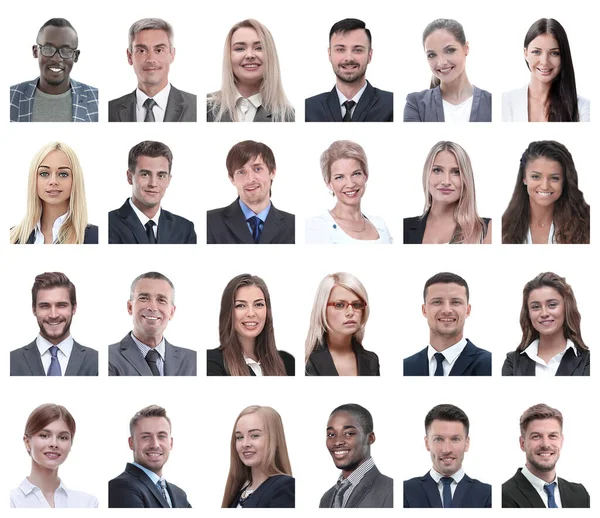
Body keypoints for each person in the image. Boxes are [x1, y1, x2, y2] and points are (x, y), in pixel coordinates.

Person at [108, 272, 196, 376]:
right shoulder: (108, 358)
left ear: (171, 312)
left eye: (161, 300)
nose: (153, 307)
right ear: (130, 307)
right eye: (144, 298)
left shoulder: (194, 361)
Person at [207, 140, 295, 244]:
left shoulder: (294, 225)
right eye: (241, 172)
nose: (250, 179)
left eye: (257, 169)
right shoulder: (209, 222)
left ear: (272, 172)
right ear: (231, 178)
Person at [108, 18, 197, 122]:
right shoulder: (110, 110)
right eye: (141, 51)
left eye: (159, 50)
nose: (151, 59)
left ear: (172, 54)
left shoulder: (196, 107)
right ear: (129, 56)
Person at [10, 18, 98, 122]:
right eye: (48, 48)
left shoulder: (96, 99)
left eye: (66, 50)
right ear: (35, 51)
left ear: (76, 56)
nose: (56, 59)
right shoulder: (10, 97)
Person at [502, 140, 590, 244]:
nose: (544, 186)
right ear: (524, 178)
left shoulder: (588, 224)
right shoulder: (502, 228)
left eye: (554, 178)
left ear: (565, 180)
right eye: (536, 177)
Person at [404, 272, 491, 376]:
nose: (447, 310)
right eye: (437, 302)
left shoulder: (489, 365)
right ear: (424, 310)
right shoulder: (406, 367)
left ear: (467, 310)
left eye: (455, 302)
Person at [502, 404, 590, 508]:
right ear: (522, 444)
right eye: (536, 436)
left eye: (552, 436)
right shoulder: (503, 496)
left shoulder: (580, 494)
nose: (546, 444)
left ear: (561, 441)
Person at [109, 141, 196, 244]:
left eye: (161, 176)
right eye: (145, 174)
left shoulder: (184, 229)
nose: (153, 183)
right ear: (129, 177)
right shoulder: (108, 225)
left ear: (168, 179)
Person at [305, 18, 393, 122]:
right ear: (329, 54)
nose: (349, 58)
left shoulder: (391, 104)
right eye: (340, 49)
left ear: (370, 55)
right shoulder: (309, 108)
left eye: (357, 50)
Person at [11, 403, 98, 507]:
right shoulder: (11, 502)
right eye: (44, 435)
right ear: (27, 442)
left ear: (71, 444)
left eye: (63, 437)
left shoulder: (88, 504)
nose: (54, 444)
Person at [404, 404, 491, 508]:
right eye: (438, 439)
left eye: (455, 439)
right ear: (427, 443)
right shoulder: (405, 491)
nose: (447, 449)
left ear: (466, 444)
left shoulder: (487, 494)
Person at [11, 272, 98, 376]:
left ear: (73, 308)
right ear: (34, 309)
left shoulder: (97, 361)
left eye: (61, 305)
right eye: (44, 306)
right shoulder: (10, 361)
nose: (53, 315)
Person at [404, 19, 491, 122]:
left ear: (466, 48)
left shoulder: (491, 103)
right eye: (432, 55)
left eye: (449, 50)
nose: (441, 62)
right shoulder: (416, 103)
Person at [10, 142, 98, 244]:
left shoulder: (96, 237)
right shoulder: (11, 237)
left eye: (63, 174)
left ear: (75, 180)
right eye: (44, 173)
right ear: (34, 179)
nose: (53, 181)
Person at [503, 272, 589, 376]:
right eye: (535, 307)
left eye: (552, 305)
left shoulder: (588, 362)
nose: (544, 313)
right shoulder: (512, 363)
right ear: (528, 313)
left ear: (566, 308)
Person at [305, 140, 392, 243]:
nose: (350, 184)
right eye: (339, 177)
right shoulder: (316, 227)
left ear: (366, 176)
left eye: (356, 174)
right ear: (328, 183)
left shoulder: (380, 225)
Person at [404, 141, 491, 244]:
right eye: (437, 170)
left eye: (456, 172)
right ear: (426, 174)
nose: (446, 181)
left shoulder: (487, 230)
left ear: (466, 179)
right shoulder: (403, 227)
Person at [502, 19, 589, 122]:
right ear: (526, 53)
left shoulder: (583, 108)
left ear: (563, 56)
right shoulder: (505, 102)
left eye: (554, 53)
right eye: (536, 52)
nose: (544, 62)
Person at [207, 19, 294, 122]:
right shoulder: (204, 108)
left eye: (259, 47)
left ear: (271, 55)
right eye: (240, 48)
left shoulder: (289, 116)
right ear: (229, 56)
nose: (250, 55)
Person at [207, 274, 294, 376]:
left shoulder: (288, 363)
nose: (251, 313)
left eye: (258, 304)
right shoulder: (211, 363)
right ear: (228, 312)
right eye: (241, 305)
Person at [109, 405, 192, 507]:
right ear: (131, 443)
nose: (155, 445)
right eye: (146, 437)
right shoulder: (120, 487)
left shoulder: (180, 495)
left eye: (161, 436)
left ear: (171, 443)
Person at [305, 273, 379, 376]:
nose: (350, 312)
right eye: (339, 305)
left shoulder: (371, 360)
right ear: (322, 309)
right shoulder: (306, 361)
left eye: (357, 305)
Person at [320, 404, 392, 507]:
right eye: (331, 434)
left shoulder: (391, 492)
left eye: (349, 433)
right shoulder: (326, 498)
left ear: (370, 438)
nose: (337, 442)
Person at [221, 405, 294, 508]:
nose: (245, 444)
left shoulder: (284, 487)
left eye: (255, 435)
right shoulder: (237, 494)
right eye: (239, 437)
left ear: (275, 439)